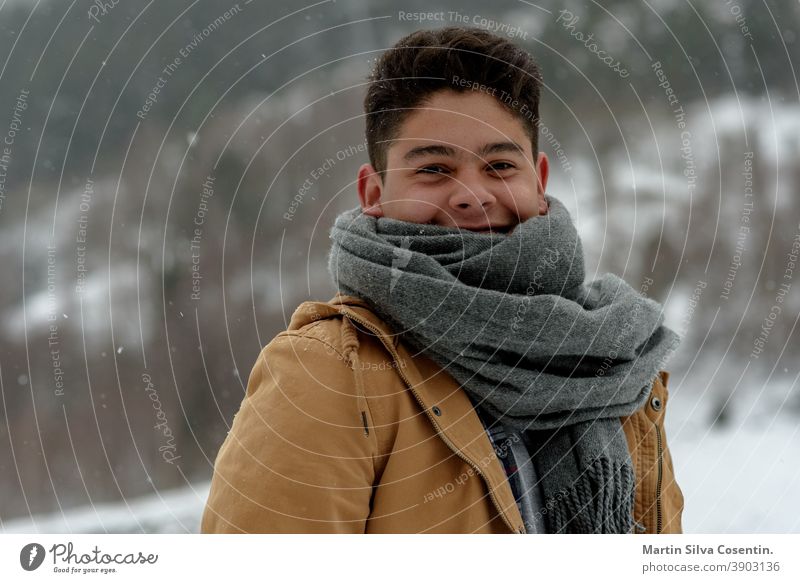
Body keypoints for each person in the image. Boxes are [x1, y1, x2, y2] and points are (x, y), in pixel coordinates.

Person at [201, 26, 684, 534]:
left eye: (499, 164)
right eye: (433, 168)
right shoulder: (329, 373)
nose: (471, 195)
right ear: (374, 192)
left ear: (538, 182)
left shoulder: (610, 365)